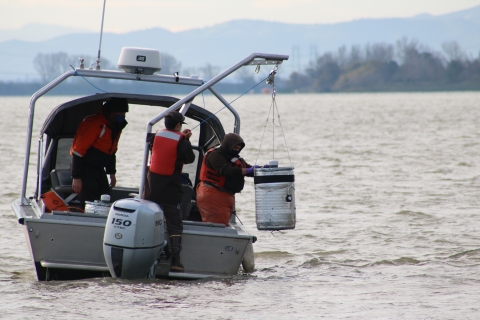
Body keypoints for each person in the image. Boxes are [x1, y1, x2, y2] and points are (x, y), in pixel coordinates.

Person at [143, 111, 195, 272]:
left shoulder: (154, 136)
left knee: (149, 216)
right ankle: (175, 261)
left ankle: (144, 254)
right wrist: (186, 140)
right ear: (178, 125)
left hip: (152, 184)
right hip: (171, 185)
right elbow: (191, 159)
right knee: (174, 222)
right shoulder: (182, 142)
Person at [70, 97, 129, 207]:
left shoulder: (115, 127)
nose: (123, 115)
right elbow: (78, 151)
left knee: (105, 195)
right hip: (85, 169)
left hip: (99, 169)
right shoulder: (95, 124)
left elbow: (112, 152)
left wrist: (112, 174)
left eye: (124, 113)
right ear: (112, 112)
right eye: (120, 112)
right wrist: (76, 177)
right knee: (90, 200)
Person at [196, 133, 259, 226]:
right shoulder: (215, 155)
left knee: (223, 225)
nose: (236, 150)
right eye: (235, 148)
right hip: (213, 195)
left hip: (226, 196)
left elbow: (247, 169)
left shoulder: (234, 158)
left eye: (238, 148)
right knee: (217, 228)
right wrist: (248, 170)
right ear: (228, 145)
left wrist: (262, 170)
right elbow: (225, 170)